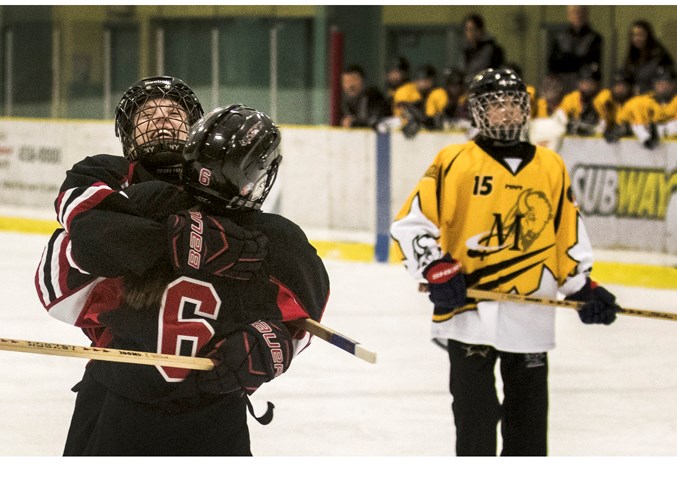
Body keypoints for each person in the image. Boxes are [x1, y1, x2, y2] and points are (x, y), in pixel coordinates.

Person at [35, 78, 330, 455]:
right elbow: (62, 270)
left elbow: (298, 311)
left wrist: (277, 342)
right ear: (127, 132)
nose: (161, 120)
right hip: (118, 394)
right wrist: (177, 242)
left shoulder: (253, 222)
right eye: (147, 114)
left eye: (173, 113)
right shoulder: (106, 177)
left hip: (214, 405)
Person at [389, 67, 618, 456]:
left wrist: (583, 287)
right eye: (497, 105)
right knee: (475, 423)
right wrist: (434, 268)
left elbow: (567, 234)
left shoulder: (551, 165)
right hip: (468, 314)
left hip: (530, 315)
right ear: (479, 112)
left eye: (514, 104)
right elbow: (411, 225)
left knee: (528, 431)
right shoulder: (454, 160)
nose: (507, 113)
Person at [616, 65, 676, 149]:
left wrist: (658, 129)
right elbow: (620, 124)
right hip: (638, 154)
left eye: (667, 83)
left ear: (674, 84)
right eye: (659, 82)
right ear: (653, 84)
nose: (663, 86)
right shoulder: (639, 102)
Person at [547, 5, 603, 94]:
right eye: (574, 12)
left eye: (580, 12)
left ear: (586, 14)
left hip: (585, 88)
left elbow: (591, 64)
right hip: (561, 88)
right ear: (568, 15)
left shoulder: (594, 38)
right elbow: (553, 64)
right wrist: (577, 59)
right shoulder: (559, 37)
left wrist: (565, 59)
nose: (578, 16)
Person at [392, 64, 447, 138]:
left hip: (436, 134)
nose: (422, 83)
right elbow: (399, 116)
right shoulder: (407, 91)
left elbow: (442, 117)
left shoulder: (438, 93)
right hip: (410, 134)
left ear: (433, 80)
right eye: (419, 79)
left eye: (426, 79)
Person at [622, 20, 674, 95]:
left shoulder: (659, 55)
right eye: (634, 35)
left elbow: (666, 82)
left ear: (648, 35)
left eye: (640, 35)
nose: (637, 38)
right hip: (634, 99)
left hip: (654, 98)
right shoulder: (632, 55)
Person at [556, 63, 604, 136]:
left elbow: (605, 124)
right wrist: (567, 125)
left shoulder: (603, 98)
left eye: (590, 82)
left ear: (597, 84)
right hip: (575, 142)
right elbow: (558, 119)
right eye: (583, 81)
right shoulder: (571, 98)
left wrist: (590, 129)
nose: (586, 85)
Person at [340, 63, 390, 129]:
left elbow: (377, 123)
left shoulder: (374, 97)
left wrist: (354, 123)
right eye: (346, 81)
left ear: (363, 80)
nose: (350, 85)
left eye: (354, 80)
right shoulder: (344, 103)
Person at [460, 13, 505, 85]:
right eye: (466, 29)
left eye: (471, 29)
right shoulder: (466, 51)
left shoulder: (494, 50)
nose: (468, 33)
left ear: (479, 30)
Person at [598, 69, 635, 143]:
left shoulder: (636, 103)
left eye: (623, 85)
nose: (619, 89)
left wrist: (627, 129)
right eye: (617, 85)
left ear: (630, 87)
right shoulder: (606, 99)